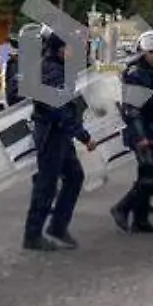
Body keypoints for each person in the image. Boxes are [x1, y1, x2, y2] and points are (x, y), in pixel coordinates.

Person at [21, 29, 93, 251]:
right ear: (59, 49)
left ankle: (57, 227)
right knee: (46, 185)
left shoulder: (60, 68)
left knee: (74, 177)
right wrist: (83, 136)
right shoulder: (51, 71)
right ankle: (32, 236)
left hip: (59, 133)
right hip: (51, 133)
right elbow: (58, 108)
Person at [112, 30, 153, 233]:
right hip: (141, 131)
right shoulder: (137, 74)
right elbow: (132, 110)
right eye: (151, 52)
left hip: (151, 128)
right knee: (150, 173)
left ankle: (141, 219)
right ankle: (121, 208)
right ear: (142, 53)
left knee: (150, 171)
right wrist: (142, 137)